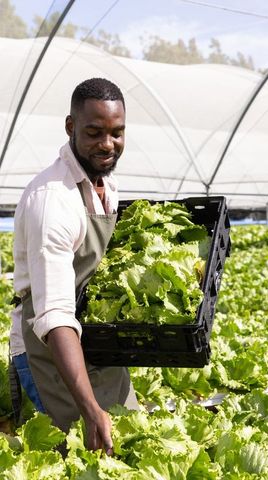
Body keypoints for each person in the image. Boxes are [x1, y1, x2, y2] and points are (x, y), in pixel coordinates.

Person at [9, 77, 139, 453]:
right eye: (94, 132)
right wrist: (89, 408)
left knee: (127, 445)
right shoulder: (53, 200)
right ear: (71, 127)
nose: (107, 144)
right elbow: (53, 315)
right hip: (48, 350)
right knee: (75, 458)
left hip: (91, 341)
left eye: (117, 133)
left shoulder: (105, 185)